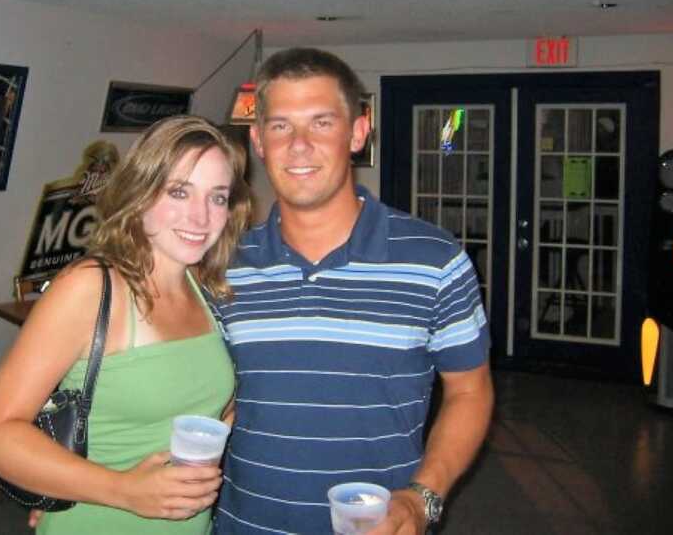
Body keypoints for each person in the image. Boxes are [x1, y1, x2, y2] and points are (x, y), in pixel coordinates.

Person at [212, 48, 494, 534]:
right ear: (257, 140)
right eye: (280, 126)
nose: (298, 145)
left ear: (358, 132)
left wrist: (422, 496)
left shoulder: (434, 260)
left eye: (321, 122)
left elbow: (470, 391)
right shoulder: (225, 266)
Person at [0, 115, 252, 535]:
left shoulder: (204, 289)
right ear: (140, 194)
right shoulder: (92, 287)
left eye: (217, 197)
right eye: (178, 191)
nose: (200, 216)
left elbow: (213, 406)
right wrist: (124, 490)